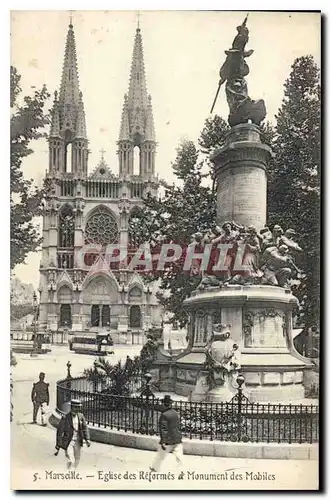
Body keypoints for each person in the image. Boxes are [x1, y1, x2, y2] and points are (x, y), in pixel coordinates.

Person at [150, 395, 183, 472]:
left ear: (163, 404)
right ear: (170, 404)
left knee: (161, 455)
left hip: (168, 440)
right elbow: (178, 425)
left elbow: (164, 429)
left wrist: (163, 441)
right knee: (179, 456)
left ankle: (155, 468)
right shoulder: (175, 413)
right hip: (177, 438)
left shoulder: (164, 415)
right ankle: (181, 471)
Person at [55, 399, 91, 470]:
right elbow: (59, 431)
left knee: (77, 458)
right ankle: (69, 471)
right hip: (69, 441)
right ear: (71, 407)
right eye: (75, 407)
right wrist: (58, 444)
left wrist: (87, 439)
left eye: (78, 407)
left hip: (78, 441)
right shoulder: (65, 417)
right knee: (71, 459)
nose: (76, 409)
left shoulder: (81, 416)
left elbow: (85, 428)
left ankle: (73, 471)